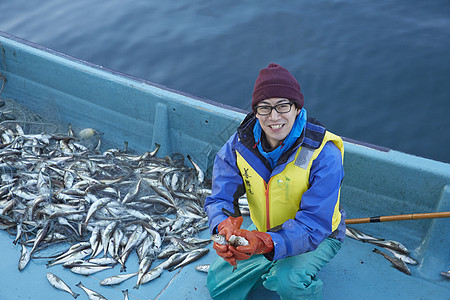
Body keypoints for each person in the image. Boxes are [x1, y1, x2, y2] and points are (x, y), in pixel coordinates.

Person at [204, 63, 346, 300]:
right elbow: (220, 197)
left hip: (318, 237)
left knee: (288, 282)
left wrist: (266, 243)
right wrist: (223, 226)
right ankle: (273, 262)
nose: (274, 117)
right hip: (263, 230)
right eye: (264, 108)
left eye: (283, 106)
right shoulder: (240, 145)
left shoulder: (324, 154)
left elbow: (314, 224)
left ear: (298, 108)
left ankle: (294, 277)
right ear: (255, 111)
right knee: (218, 287)